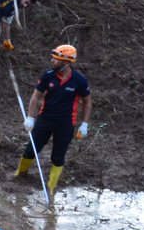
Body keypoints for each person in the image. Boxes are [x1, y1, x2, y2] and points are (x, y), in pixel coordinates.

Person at [14, 44, 92, 198]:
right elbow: (36, 96)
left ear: (67, 62)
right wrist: (31, 117)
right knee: (31, 149)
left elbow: (87, 102)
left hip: (66, 124)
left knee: (58, 156)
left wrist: (84, 124)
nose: (52, 61)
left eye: (56, 59)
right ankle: (20, 173)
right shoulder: (48, 75)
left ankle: (50, 187)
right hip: (45, 119)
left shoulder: (80, 80)